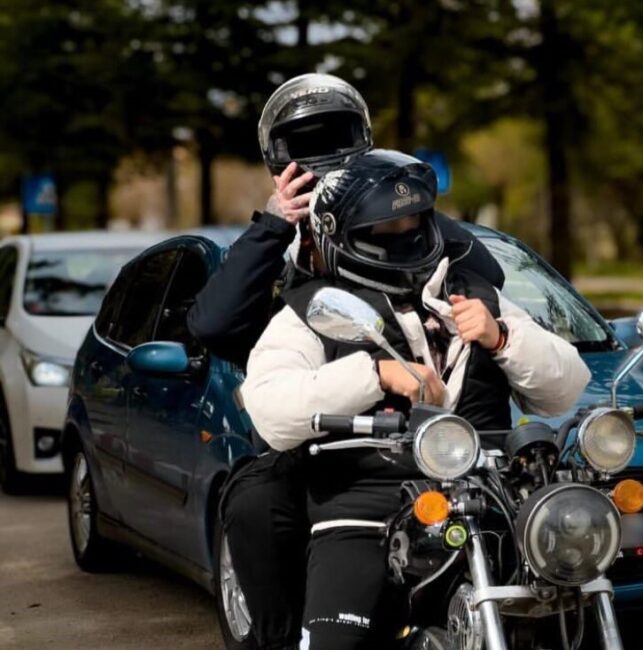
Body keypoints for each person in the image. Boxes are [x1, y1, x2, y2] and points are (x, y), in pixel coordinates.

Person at [185, 73, 505, 649]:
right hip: (315, 427)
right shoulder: (278, 242)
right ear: (276, 159)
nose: (320, 156)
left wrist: (400, 199)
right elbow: (213, 323)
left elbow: (486, 275)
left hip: (421, 436)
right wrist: (276, 221)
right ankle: (281, 638)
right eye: (302, 145)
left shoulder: (407, 222)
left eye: (334, 136)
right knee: (256, 499)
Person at [240, 149, 590, 648]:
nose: (403, 232)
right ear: (341, 236)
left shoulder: (476, 293)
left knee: (567, 614)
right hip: (366, 506)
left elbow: (566, 389)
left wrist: (503, 338)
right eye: (386, 226)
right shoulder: (315, 310)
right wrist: (375, 374)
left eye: (412, 220)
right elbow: (271, 408)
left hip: (486, 503)